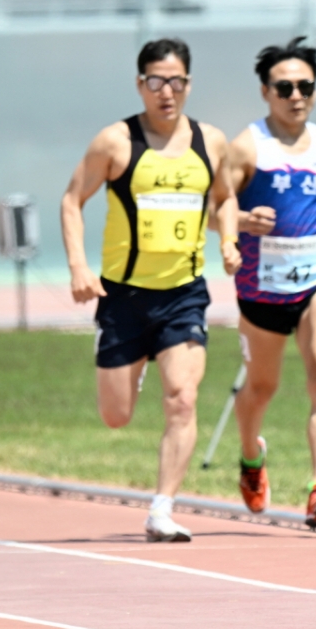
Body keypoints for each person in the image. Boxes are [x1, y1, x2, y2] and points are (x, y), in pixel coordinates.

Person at [61, 38, 241, 542]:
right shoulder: (115, 143)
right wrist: (79, 267)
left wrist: (228, 239)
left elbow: (224, 198)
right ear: (141, 85)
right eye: (157, 82)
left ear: (188, 85)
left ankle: (162, 508)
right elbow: (72, 200)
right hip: (123, 295)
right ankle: (131, 365)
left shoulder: (211, 142)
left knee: (182, 399)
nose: (168, 92)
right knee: (116, 416)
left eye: (177, 82)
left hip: (184, 293)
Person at [225, 37, 316, 529]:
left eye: (304, 86)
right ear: (266, 91)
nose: (295, 95)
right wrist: (241, 221)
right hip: (260, 285)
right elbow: (213, 209)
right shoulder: (246, 146)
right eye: (284, 87)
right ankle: (250, 455)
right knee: (261, 387)